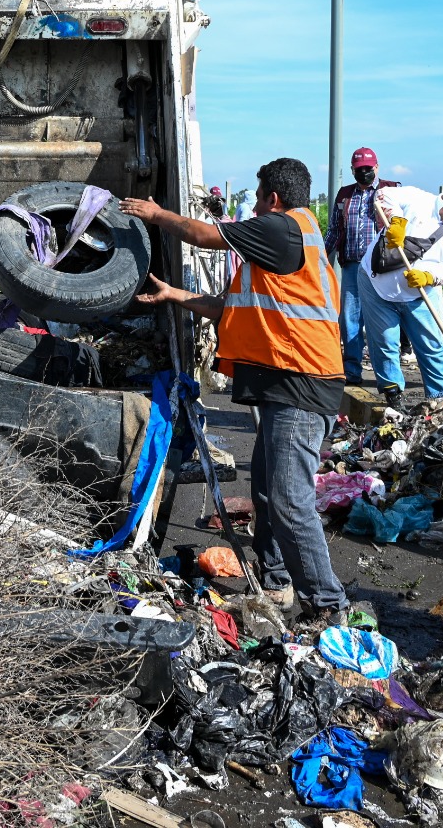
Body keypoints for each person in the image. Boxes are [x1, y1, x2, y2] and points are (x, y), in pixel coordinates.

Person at [122, 158, 349, 623]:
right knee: (267, 495)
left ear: (272, 198)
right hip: (288, 386)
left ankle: (329, 608)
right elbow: (233, 306)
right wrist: (176, 296)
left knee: (289, 501)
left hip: (301, 386)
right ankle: (278, 583)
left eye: (260, 194)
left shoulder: (282, 229)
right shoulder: (291, 242)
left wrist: (156, 214)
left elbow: (206, 236)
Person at [357, 182, 443, 408]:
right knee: (385, 340)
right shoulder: (418, 199)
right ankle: (393, 394)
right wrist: (396, 220)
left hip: (420, 291)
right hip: (377, 284)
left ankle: (441, 393)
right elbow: (382, 194)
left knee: (431, 342)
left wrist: (429, 276)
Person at [324, 147, 401, 385]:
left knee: (383, 322)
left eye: (368, 169)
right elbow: (335, 230)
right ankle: (351, 371)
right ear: (352, 170)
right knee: (349, 320)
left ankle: (388, 379)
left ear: (377, 167)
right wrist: (321, 257)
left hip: (382, 267)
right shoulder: (345, 195)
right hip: (352, 266)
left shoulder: (392, 190)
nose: (364, 173)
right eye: (359, 170)